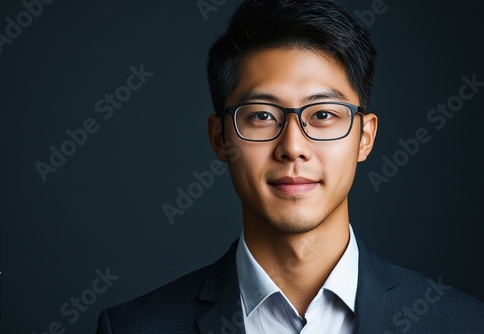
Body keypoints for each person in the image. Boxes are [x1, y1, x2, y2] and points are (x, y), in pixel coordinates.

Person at [96, 0, 484, 333]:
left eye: (323, 115)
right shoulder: (134, 327)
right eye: (262, 115)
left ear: (365, 137)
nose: (293, 147)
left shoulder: (463, 323)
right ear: (220, 139)